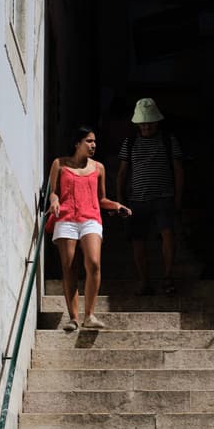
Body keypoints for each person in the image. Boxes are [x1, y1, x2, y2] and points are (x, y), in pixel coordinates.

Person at [48, 126, 131, 331]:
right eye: (89, 141)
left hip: (90, 217)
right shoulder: (59, 164)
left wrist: (116, 205)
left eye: (94, 141)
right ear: (77, 143)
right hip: (66, 217)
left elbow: (101, 199)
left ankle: (90, 315)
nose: (93, 145)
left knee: (93, 263)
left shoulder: (98, 168)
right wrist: (54, 201)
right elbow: (53, 192)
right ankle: (74, 318)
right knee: (69, 267)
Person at [116, 98, 183, 295]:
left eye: (149, 123)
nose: (146, 126)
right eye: (143, 123)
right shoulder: (130, 142)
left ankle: (168, 277)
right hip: (137, 200)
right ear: (138, 123)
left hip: (164, 197)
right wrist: (120, 199)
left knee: (168, 236)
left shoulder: (168, 140)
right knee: (138, 240)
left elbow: (179, 170)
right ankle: (144, 281)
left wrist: (177, 197)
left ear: (156, 122)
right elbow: (122, 172)